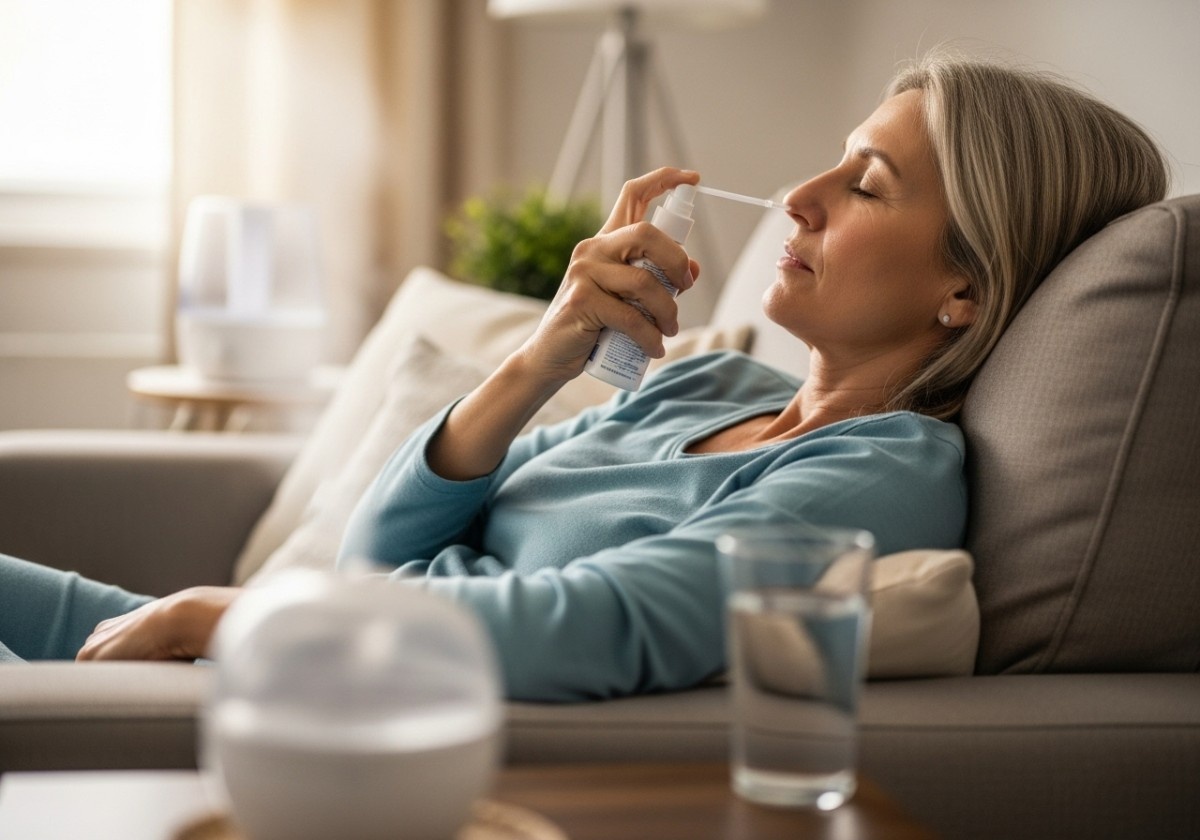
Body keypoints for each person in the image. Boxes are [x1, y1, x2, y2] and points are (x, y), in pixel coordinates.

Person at [0, 51, 1168, 702]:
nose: (800, 197)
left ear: (962, 289)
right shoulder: (705, 391)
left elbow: (589, 628)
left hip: (320, 694)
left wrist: (246, 616)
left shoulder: (883, 472)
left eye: (863, 186)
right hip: (290, 647)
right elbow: (377, 555)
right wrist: (537, 358)